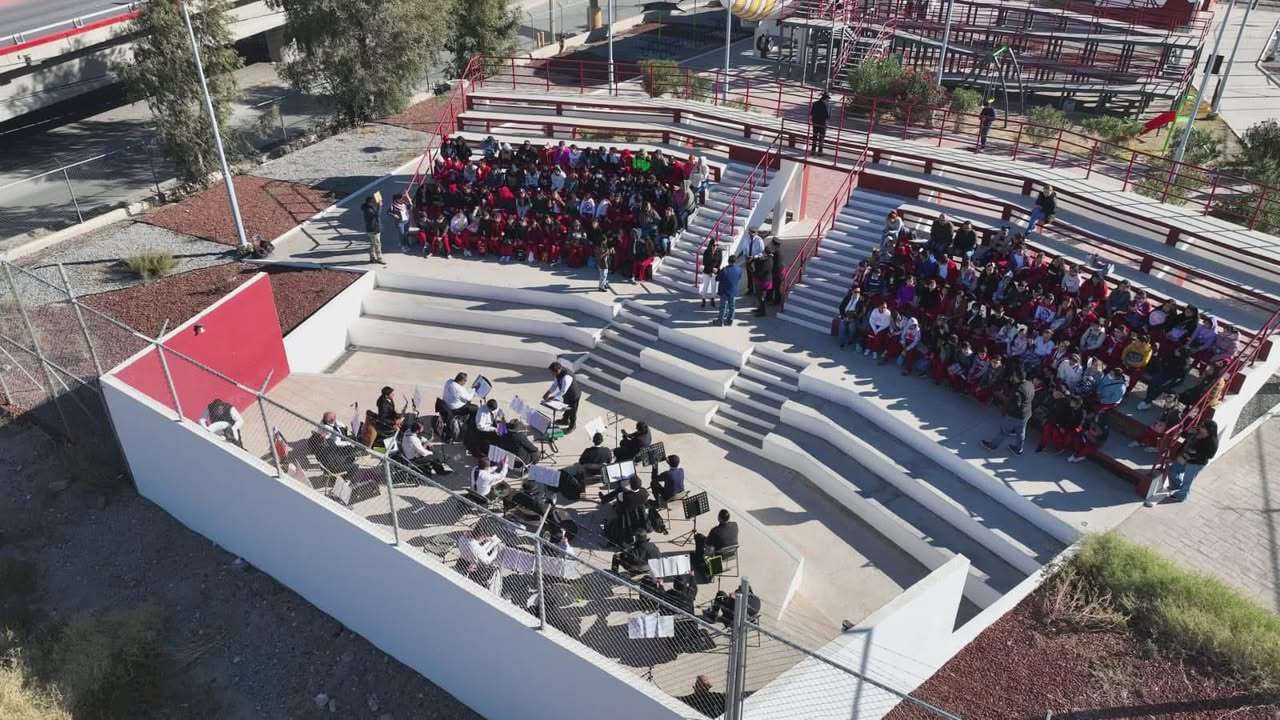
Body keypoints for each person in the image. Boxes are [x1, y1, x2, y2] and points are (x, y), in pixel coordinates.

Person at [981, 371, 1035, 455]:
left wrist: (1007, 408)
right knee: (1021, 433)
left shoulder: (1018, 390)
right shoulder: (1030, 384)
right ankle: (1018, 449)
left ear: (1017, 378)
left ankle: (992, 446)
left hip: (1015, 416)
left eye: (1014, 376)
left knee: (1004, 431)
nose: (1013, 377)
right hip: (1026, 414)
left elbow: (1015, 404)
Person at [1165, 420, 1218, 502]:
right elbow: (1184, 435)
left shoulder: (1212, 441)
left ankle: (1182, 496)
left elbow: (1210, 456)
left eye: (1203, 427)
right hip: (1185, 457)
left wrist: (1195, 453)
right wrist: (1187, 432)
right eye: (1201, 425)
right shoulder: (1196, 431)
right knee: (1173, 470)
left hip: (1196, 463)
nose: (1200, 427)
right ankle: (1176, 487)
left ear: (1209, 430)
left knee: (1187, 481)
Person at [542, 361, 580, 432]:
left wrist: (553, 397)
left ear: (558, 370)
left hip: (573, 395)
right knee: (566, 408)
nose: (552, 374)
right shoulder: (558, 374)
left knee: (572, 411)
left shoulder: (566, 377)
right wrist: (548, 392)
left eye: (552, 373)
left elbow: (563, 391)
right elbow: (555, 385)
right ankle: (565, 420)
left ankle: (572, 426)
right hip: (566, 395)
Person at [715, 255, 743, 327]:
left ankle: (720, 321)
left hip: (724, 291)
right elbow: (739, 277)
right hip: (733, 291)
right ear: (735, 261)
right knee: (732, 306)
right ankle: (730, 320)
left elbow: (717, 278)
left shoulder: (724, 270)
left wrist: (717, 272)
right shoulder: (739, 269)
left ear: (728, 261)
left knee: (723, 307)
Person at [700, 241, 724, 309]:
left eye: (717, 245)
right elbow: (704, 262)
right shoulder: (707, 252)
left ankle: (712, 299)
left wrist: (716, 269)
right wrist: (711, 270)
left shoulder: (719, 251)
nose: (715, 246)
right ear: (711, 245)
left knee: (714, 287)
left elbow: (720, 262)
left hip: (714, 272)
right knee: (705, 286)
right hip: (707, 271)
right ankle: (703, 299)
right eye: (714, 245)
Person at [361, 195, 385, 264]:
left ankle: (372, 257)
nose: (375, 203)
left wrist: (378, 205)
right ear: (370, 202)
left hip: (373, 228)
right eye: (373, 202)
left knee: (373, 244)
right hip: (373, 229)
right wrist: (380, 206)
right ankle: (379, 258)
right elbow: (377, 215)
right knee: (377, 244)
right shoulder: (368, 209)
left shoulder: (368, 207)